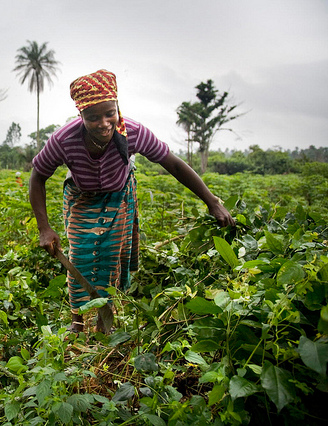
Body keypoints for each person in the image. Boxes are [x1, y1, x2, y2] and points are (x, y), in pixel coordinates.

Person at [29, 69, 234, 333]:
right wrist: (44, 228)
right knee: (80, 256)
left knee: (112, 256)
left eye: (109, 113)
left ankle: (106, 322)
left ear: (117, 107)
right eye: (93, 117)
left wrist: (212, 201)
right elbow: (38, 176)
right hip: (82, 196)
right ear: (80, 115)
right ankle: (77, 323)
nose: (103, 123)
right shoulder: (63, 140)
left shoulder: (134, 133)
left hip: (119, 195)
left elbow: (173, 164)